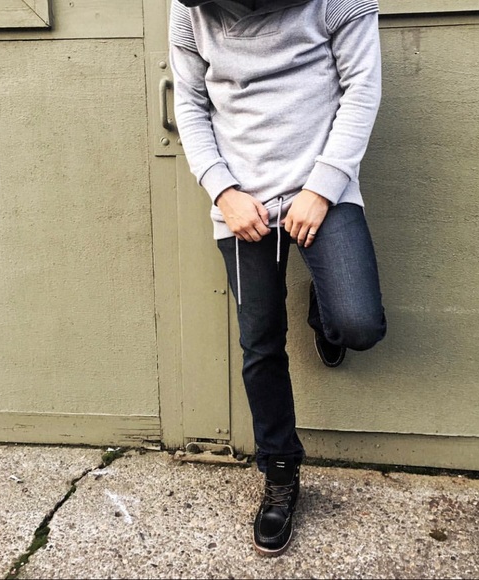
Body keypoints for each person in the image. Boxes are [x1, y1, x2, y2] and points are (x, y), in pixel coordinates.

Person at [169, 0, 387, 556]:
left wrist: (322, 188)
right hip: (242, 204)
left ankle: (325, 310)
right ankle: (281, 471)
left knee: (359, 325)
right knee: (260, 343)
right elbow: (190, 103)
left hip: (322, 191)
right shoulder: (188, 11)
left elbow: (361, 90)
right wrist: (222, 190)